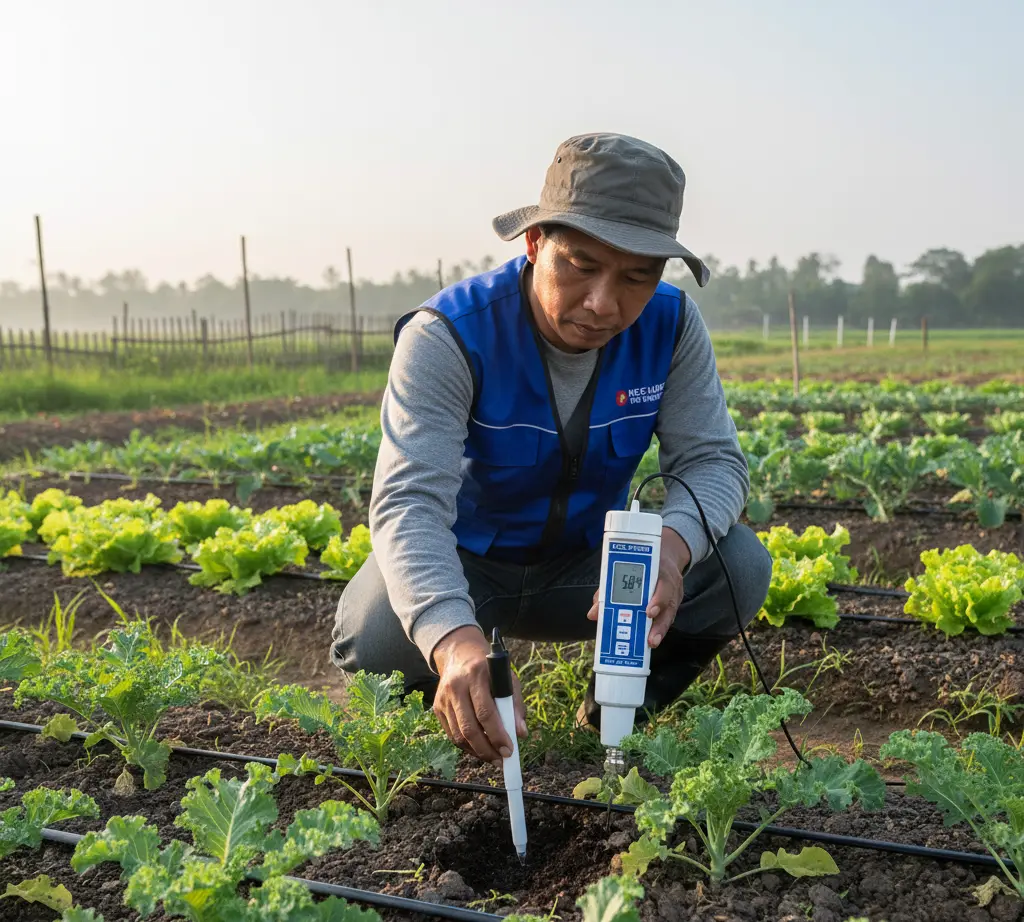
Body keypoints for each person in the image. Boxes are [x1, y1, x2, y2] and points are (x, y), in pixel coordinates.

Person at [331, 132, 772, 766]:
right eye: (580, 266)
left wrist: (672, 552)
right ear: (536, 243)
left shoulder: (671, 327)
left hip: (589, 572)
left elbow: (712, 462)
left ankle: (613, 719)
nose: (602, 303)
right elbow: (408, 504)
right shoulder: (450, 334)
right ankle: (459, 728)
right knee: (373, 632)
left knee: (740, 566)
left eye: (635, 277)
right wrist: (453, 638)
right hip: (471, 566)